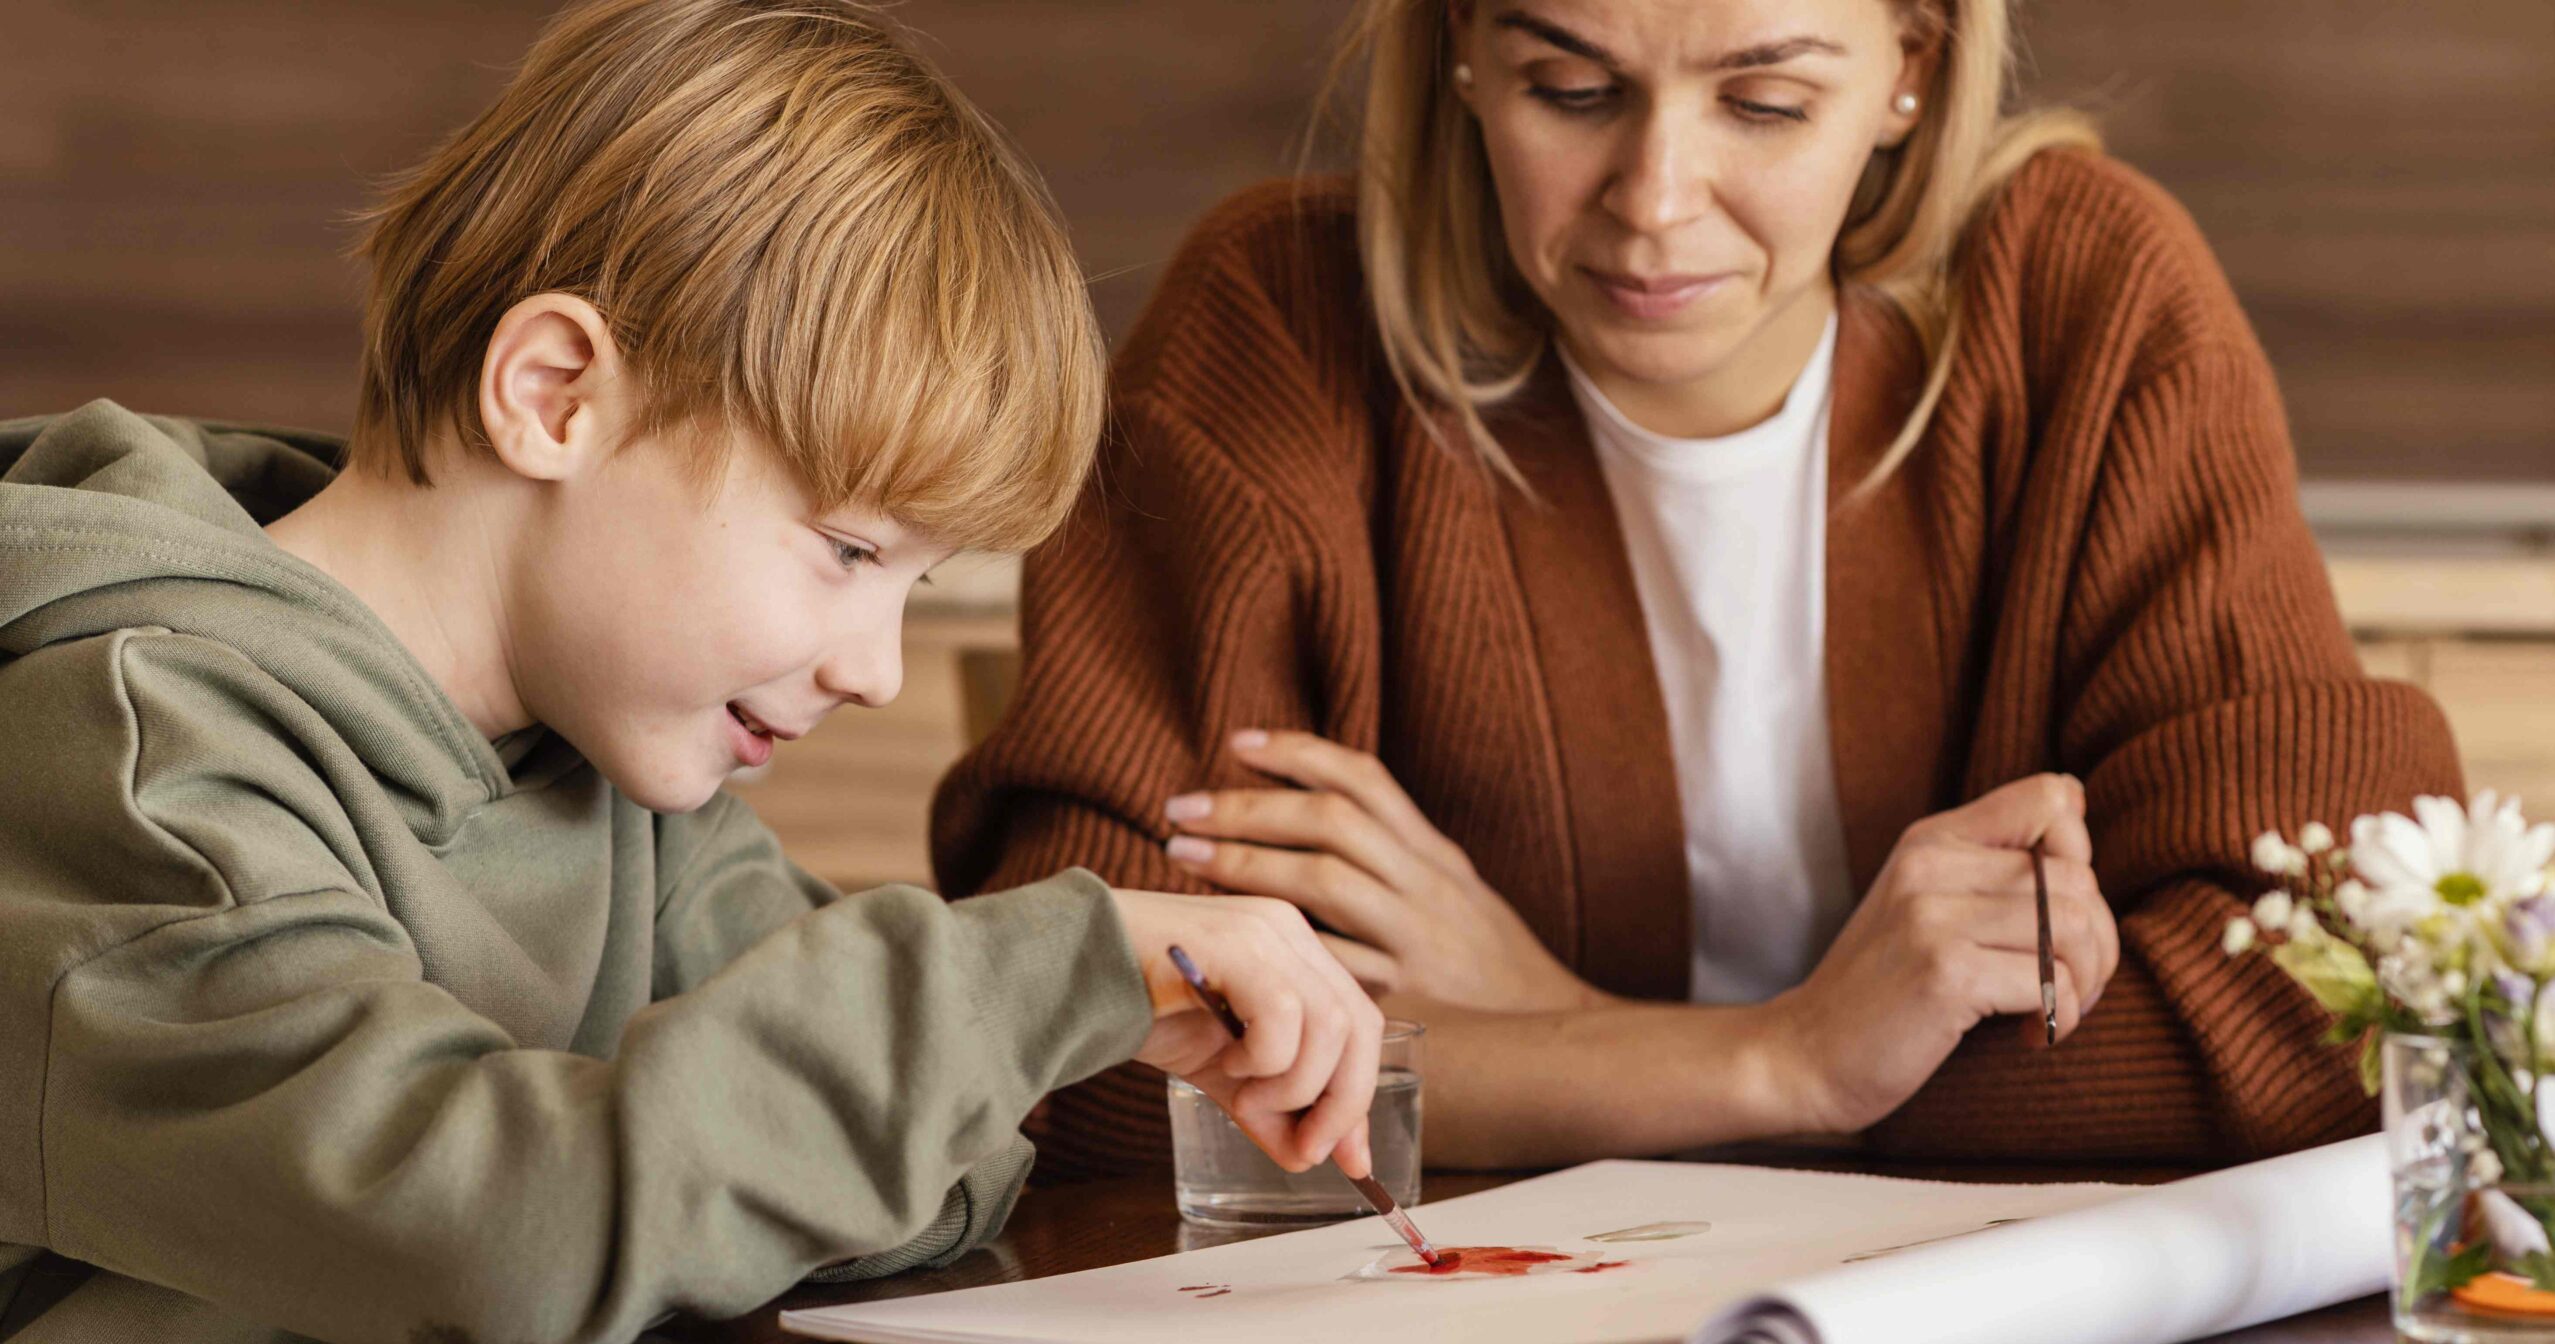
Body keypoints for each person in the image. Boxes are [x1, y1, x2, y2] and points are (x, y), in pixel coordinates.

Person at [0, 2, 1384, 1339]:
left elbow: (938, 1187)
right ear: (556, 397)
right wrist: (1039, 984)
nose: (881, 674)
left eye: (920, 585)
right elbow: (497, 1242)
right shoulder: (128, 768)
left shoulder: (619, 759)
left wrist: (804, 1118)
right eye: (849, 550)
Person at [932, 0, 2464, 1181]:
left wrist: (1536, 1038)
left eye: (1767, 101)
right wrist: (1778, 1065)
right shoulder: (1273, 331)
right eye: (1571, 89)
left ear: (1908, 70)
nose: (1656, 200)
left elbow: (2332, 1007)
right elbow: (1071, 1055)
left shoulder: (2087, 304)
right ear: (1462, 50)